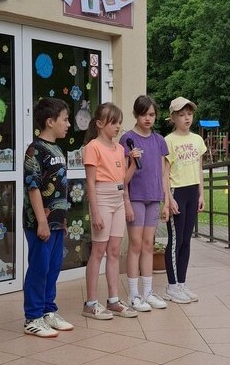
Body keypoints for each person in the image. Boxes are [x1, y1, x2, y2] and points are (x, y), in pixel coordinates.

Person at [23, 97, 74, 338]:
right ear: (50, 121)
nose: (68, 124)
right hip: (39, 223)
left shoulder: (58, 150)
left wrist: (61, 221)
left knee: (53, 268)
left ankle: (48, 311)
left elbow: (60, 188)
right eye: (65, 119)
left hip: (56, 221)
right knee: (39, 268)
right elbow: (33, 187)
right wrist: (42, 221)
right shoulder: (35, 150)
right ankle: (32, 317)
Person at [82, 102, 138, 320]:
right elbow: (90, 182)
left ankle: (113, 300)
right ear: (99, 123)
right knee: (98, 251)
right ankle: (90, 303)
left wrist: (133, 163)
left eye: (119, 123)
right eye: (113, 122)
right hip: (102, 199)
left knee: (114, 251)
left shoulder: (120, 149)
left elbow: (123, 180)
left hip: (118, 199)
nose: (117, 127)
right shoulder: (93, 147)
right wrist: (95, 212)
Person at [120, 95, 169, 311]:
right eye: (143, 114)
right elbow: (123, 176)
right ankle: (134, 295)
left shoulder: (159, 140)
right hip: (136, 198)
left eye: (151, 114)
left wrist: (166, 200)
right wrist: (126, 202)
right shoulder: (127, 139)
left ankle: (148, 292)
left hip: (154, 197)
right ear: (135, 115)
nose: (148, 119)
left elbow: (163, 173)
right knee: (136, 244)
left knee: (148, 244)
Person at [162, 97, 207, 303]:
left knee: (187, 240)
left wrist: (201, 194)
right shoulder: (168, 141)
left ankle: (181, 283)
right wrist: (168, 198)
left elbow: (199, 168)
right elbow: (165, 173)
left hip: (192, 191)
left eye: (189, 114)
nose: (187, 118)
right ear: (173, 118)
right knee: (176, 240)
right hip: (177, 192)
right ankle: (171, 286)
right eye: (181, 115)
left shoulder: (197, 140)